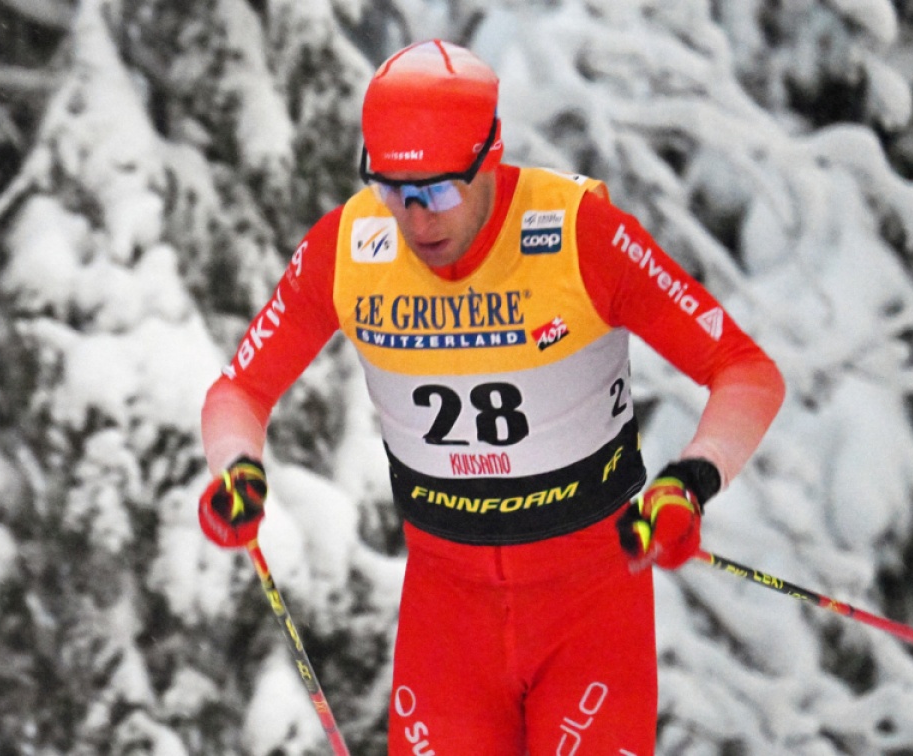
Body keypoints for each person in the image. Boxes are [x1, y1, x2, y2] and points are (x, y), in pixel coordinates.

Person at [196, 39, 785, 755]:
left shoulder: (578, 235)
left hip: (590, 610)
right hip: (448, 620)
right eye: (395, 191)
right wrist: (237, 466)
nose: (418, 221)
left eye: (440, 191)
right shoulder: (349, 249)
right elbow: (240, 389)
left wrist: (690, 480)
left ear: (491, 157)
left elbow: (745, 371)